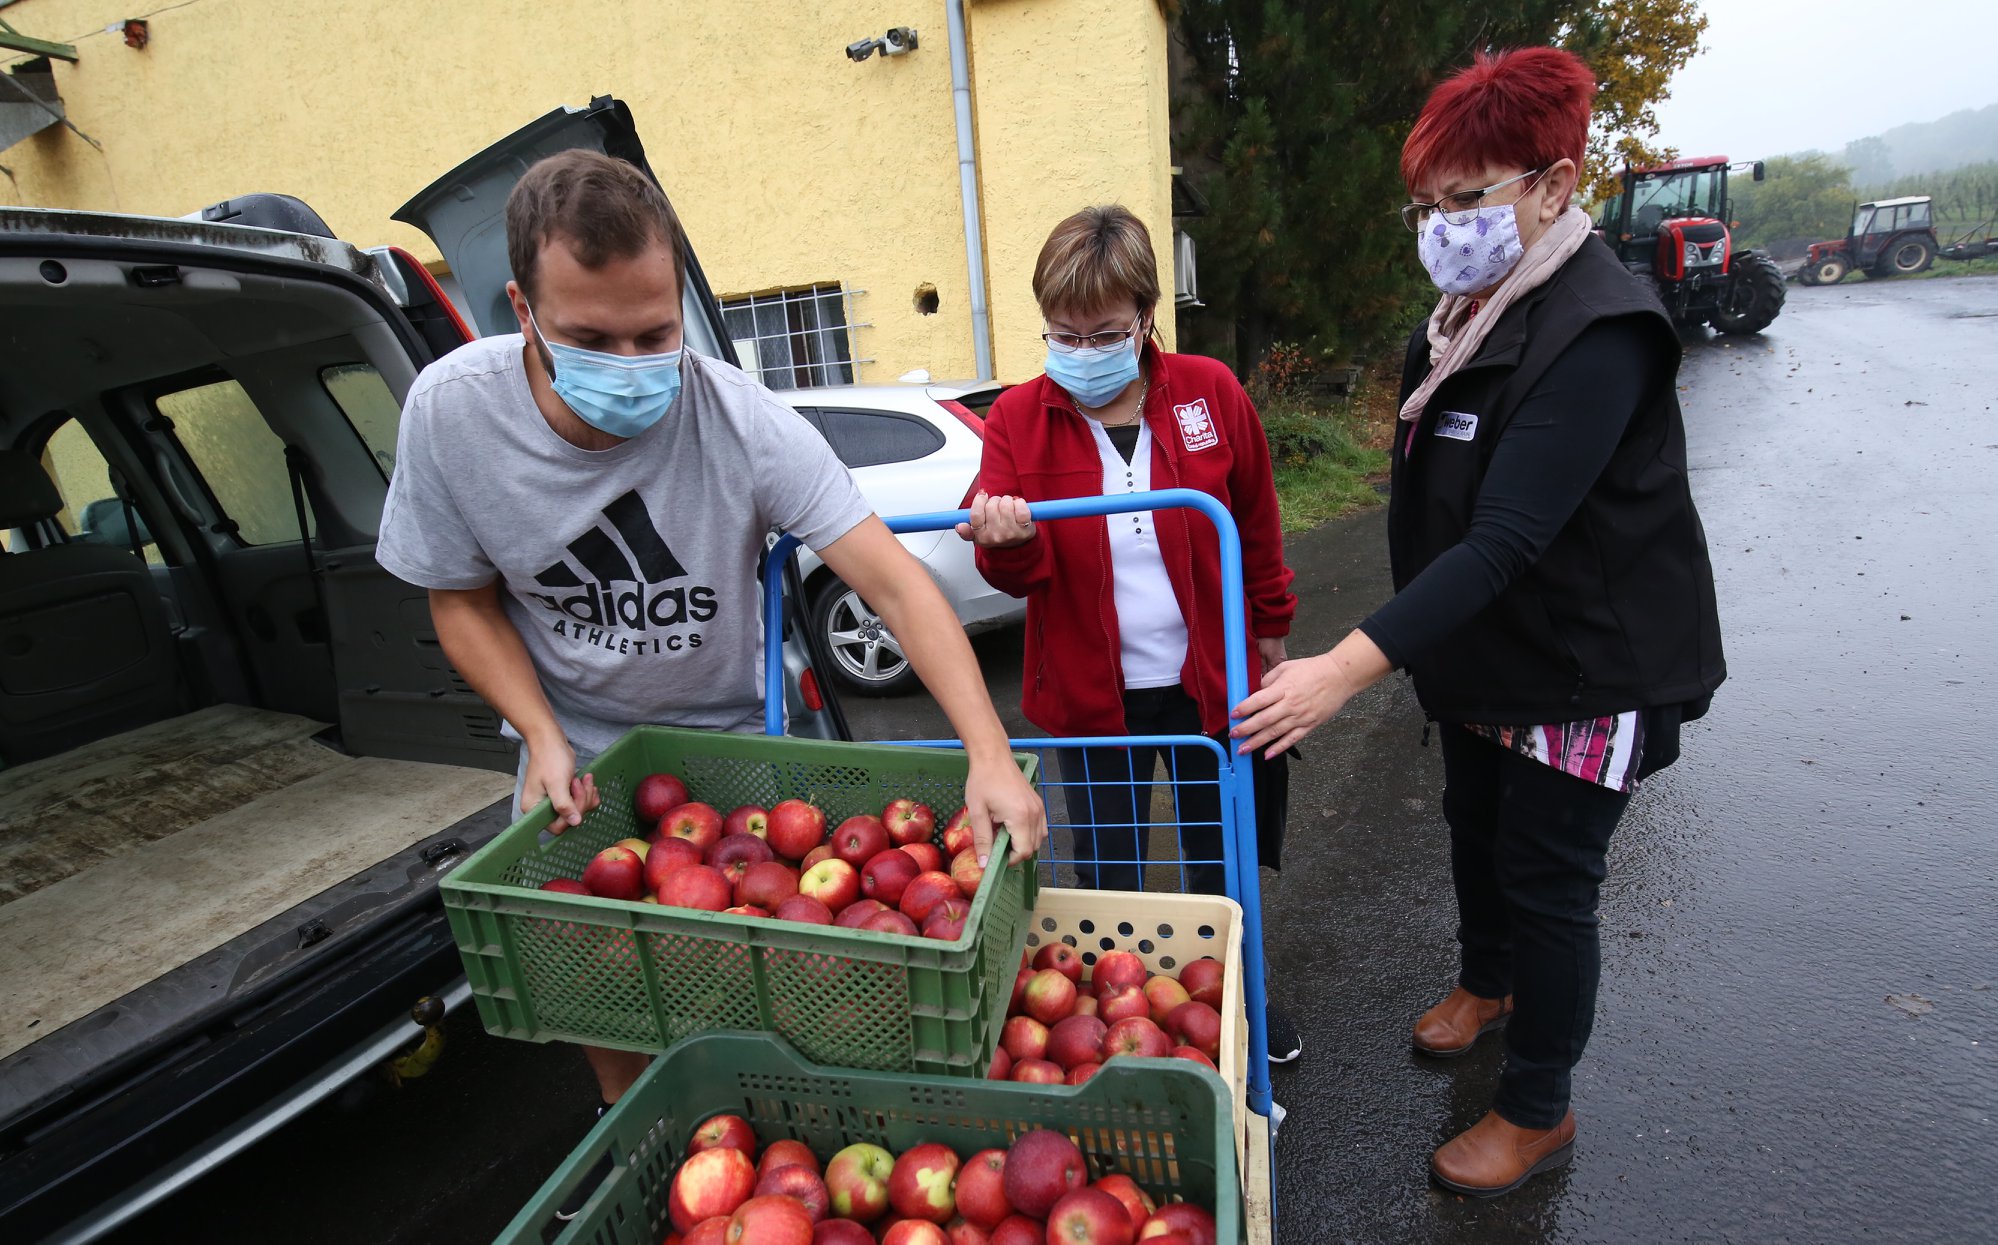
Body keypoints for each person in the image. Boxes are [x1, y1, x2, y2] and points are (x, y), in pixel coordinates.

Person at [376, 149, 1045, 1216]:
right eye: (592, 340)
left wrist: (989, 754)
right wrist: (539, 733)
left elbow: (898, 588)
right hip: (578, 749)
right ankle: (646, 1148)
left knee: (762, 983)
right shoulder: (452, 415)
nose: (633, 362)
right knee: (589, 980)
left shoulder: (739, 420)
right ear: (522, 307)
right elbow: (458, 598)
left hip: (734, 742)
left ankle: (766, 1165)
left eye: (655, 333)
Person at [1230, 47, 1726, 1196]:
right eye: (1427, 206)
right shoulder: (1464, 316)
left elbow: (1506, 538)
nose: (1443, 226)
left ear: (1555, 186)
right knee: (1473, 830)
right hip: (1484, 651)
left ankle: (1537, 1103)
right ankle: (1485, 981)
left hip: (1581, 663)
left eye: (1469, 198)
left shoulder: (1600, 328)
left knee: (1551, 880)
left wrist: (1340, 671)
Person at [959, 204, 1302, 1061]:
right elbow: (1012, 574)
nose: (1082, 351)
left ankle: (1237, 1001)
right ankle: (1125, 1020)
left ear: (1146, 316)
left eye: (1103, 331)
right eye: (1063, 333)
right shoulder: (1017, 419)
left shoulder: (1209, 392)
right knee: (1111, 870)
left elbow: (1255, 523)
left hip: (1207, 688)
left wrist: (1272, 640)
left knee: (1220, 865)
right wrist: (1006, 538)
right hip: (1090, 698)